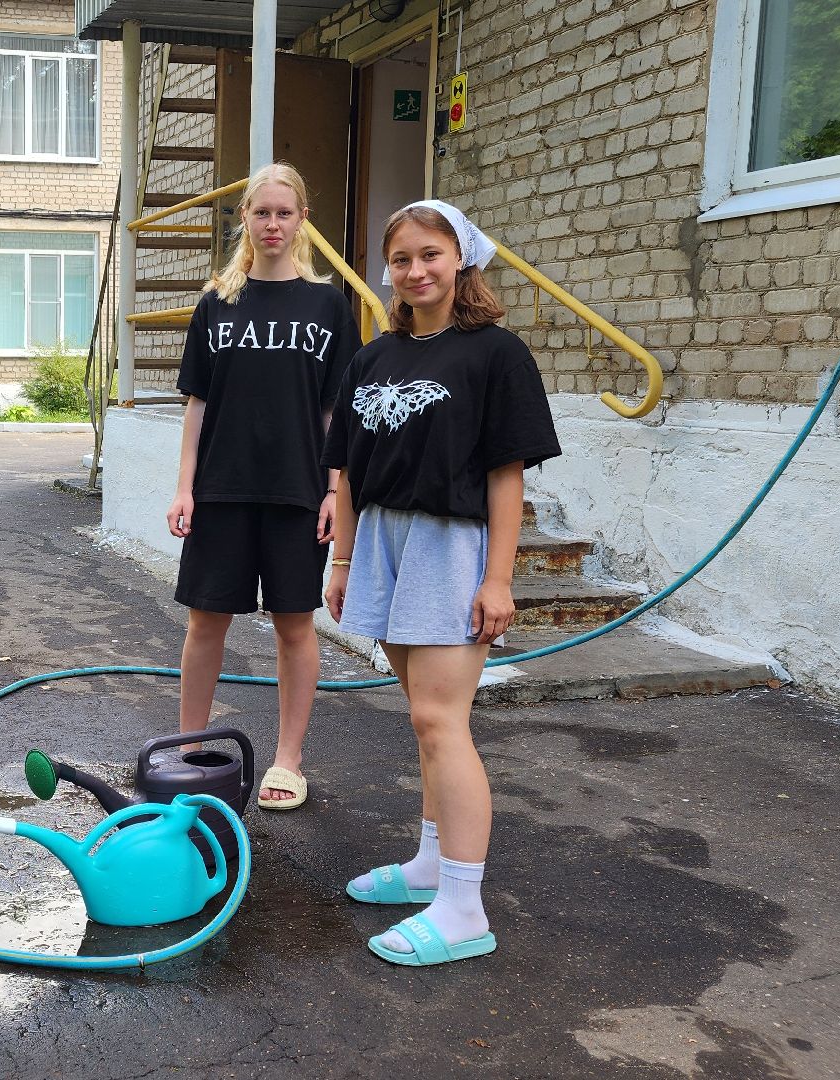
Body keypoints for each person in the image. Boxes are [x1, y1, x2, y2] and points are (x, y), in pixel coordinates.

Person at [322, 200, 561, 966]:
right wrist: (344, 560)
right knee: (423, 717)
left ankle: (463, 908)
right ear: (387, 271)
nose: (416, 270)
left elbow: (506, 475)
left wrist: (498, 579)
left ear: (462, 259)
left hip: (451, 544)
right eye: (401, 259)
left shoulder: (495, 354)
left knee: (439, 721)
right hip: (385, 542)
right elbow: (350, 472)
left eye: (431, 254)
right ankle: (430, 865)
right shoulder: (373, 357)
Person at [167, 162, 359, 811]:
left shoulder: (328, 304)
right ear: (244, 219)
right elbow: (197, 404)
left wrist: (335, 491)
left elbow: (338, 411)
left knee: (294, 627)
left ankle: (288, 760)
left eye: (284, 212)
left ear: (302, 218)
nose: (272, 223)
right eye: (261, 212)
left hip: (297, 491)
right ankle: (188, 752)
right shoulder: (217, 302)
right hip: (220, 489)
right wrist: (184, 487)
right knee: (205, 623)